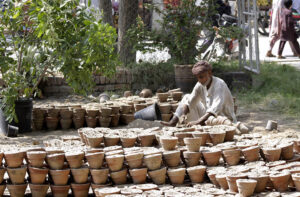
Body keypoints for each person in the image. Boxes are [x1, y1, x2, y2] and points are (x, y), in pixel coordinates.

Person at [161, 60, 237, 127]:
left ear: (210, 73)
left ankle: (201, 124)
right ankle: (173, 122)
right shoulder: (200, 85)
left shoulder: (219, 84)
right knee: (187, 97)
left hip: (222, 118)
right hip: (207, 117)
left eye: (201, 77)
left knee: (210, 119)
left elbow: (214, 110)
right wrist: (183, 114)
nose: (199, 80)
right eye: (197, 77)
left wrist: (197, 122)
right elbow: (190, 101)